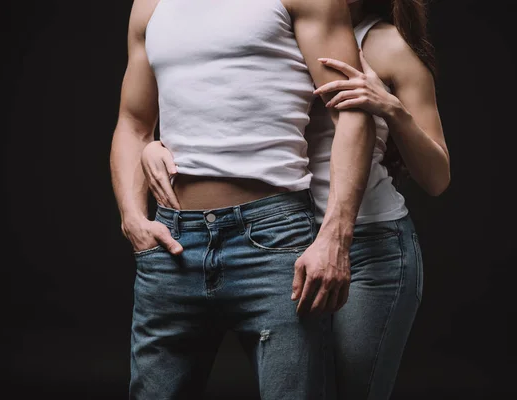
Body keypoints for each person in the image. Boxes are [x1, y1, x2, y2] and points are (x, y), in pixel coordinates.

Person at [141, 0, 450, 399]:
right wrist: (154, 145)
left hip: (367, 244)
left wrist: (391, 109)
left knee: (349, 391)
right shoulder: (273, 27)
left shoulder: (385, 45)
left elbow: (437, 177)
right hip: (286, 240)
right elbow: (228, 115)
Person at [109, 0, 377, 398]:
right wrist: (132, 217)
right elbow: (132, 124)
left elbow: (352, 113)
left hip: (273, 241)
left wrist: (336, 237)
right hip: (172, 244)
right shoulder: (150, 5)